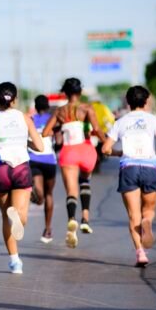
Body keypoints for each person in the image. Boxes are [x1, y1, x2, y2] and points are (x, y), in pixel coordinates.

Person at [0, 83, 43, 274]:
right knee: (20, 216)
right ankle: (18, 218)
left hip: (0, 170)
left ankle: (15, 261)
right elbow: (40, 146)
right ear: (15, 100)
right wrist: (24, 141)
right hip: (21, 168)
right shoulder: (25, 118)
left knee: (6, 216)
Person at [102, 86, 156, 267]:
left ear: (128, 102)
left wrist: (118, 153)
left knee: (133, 215)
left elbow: (105, 149)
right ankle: (147, 221)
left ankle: (140, 253)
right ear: (146, 101)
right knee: (148, 210)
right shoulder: (154, 120)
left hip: (129, 167)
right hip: (150, 167)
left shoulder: (120, 122)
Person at [43, 78, 104, 248]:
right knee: (85, 181)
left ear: (65, 93)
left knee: (71, 191)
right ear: (80, 92)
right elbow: (97, 129)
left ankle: (72, 219)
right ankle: (85, 219)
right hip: (86, 150)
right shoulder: (87, 108)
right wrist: (106, 142)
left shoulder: (59, 111)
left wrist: (60, 129)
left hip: (68, 152)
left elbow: (46, 132)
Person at [28, 95, 58, 244]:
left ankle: (36, 196)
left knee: (40, 195)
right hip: (50, 160)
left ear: (35, 106)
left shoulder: (30, 119)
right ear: (47, 106)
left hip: (34, 158)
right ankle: (47, 229)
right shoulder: (52, 119)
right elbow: (59, 140)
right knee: (49, 195)